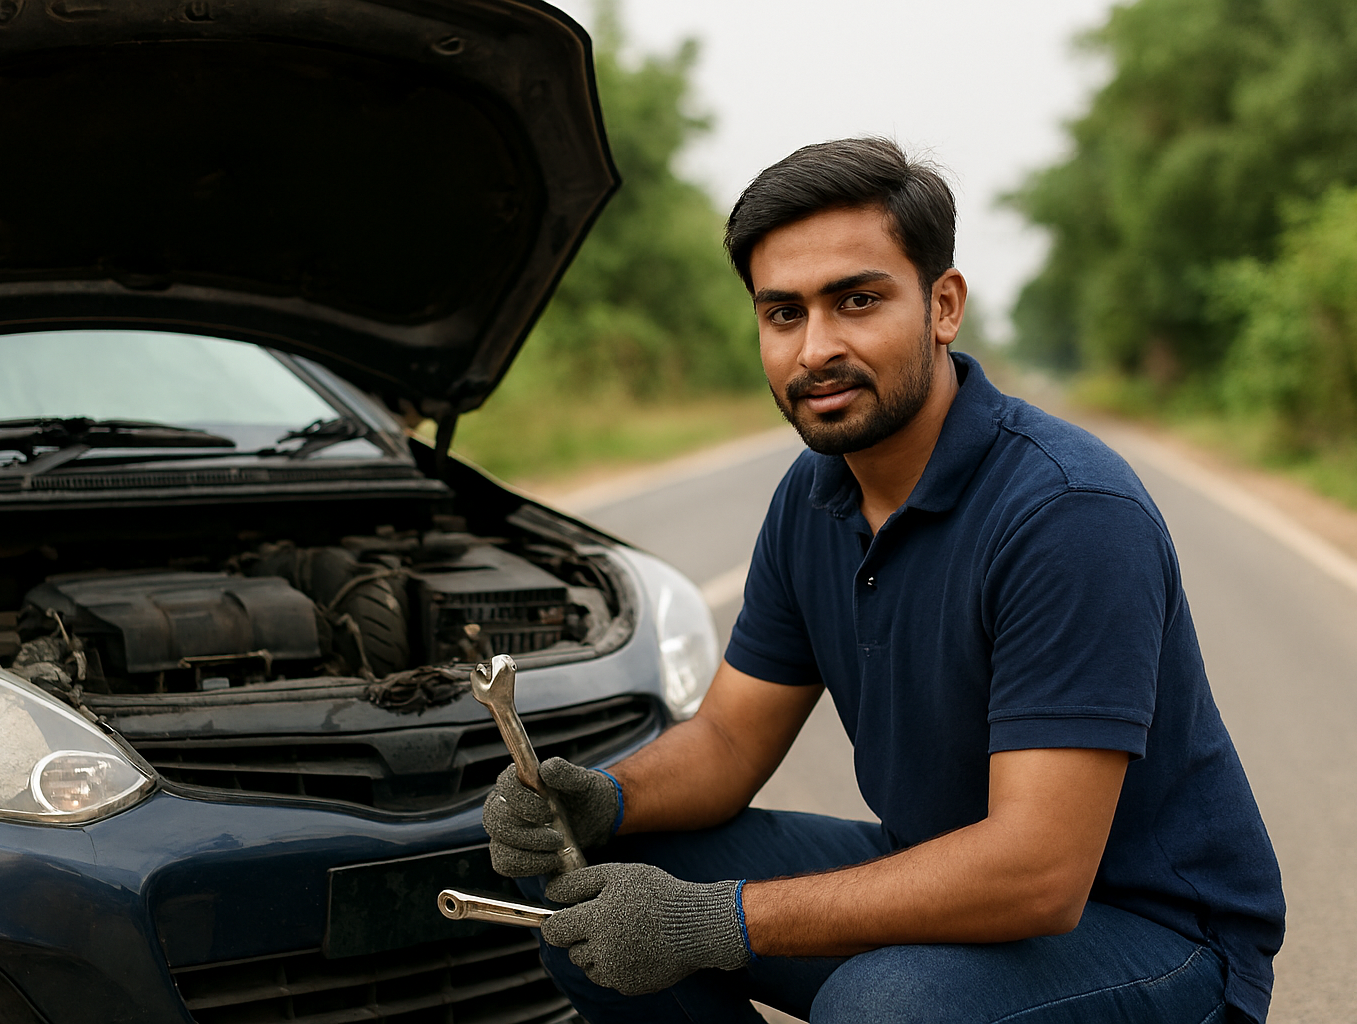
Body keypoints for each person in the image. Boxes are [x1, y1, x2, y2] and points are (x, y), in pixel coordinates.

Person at [482, 137, 1285, 1024]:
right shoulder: (812, 496)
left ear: (943, 307)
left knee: (886, 1007)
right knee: (589, 891)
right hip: (951, 877)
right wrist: (605, 798)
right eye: (782, 314)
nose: (815, 349)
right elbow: (728, 744)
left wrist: (718, 920)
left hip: (1158, 938)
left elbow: (1037, 874)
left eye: (857, 301)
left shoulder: (1067, 512)